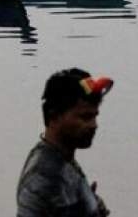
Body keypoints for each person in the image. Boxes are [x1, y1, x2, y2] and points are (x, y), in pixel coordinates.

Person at [16, 68, 114, 217]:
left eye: (95, 116)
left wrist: (89, 203)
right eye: (85, 117)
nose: (94, 125)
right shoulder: (43, 177)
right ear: (54, 116)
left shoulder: (62, 158)